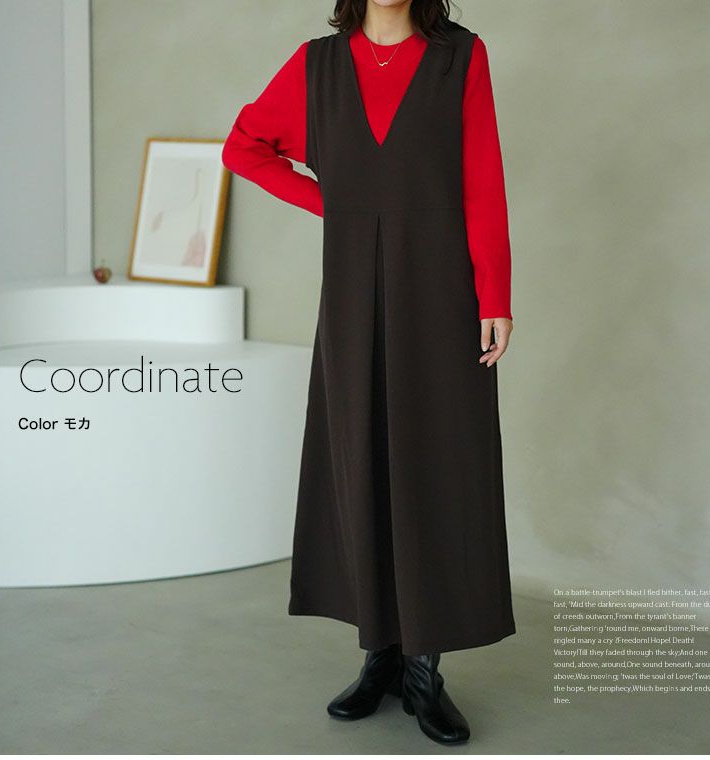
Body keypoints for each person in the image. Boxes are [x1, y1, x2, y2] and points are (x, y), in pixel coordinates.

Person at [222, 0, 515, 745]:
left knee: (434, 465)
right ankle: (379, 653)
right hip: (352, 292)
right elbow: (243, 148)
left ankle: (424, 667)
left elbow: (482, 179)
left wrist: (495, 295)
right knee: (359, 460)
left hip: (441, 290)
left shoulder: (459, 57)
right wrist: (335, 205)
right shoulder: (316, 66)